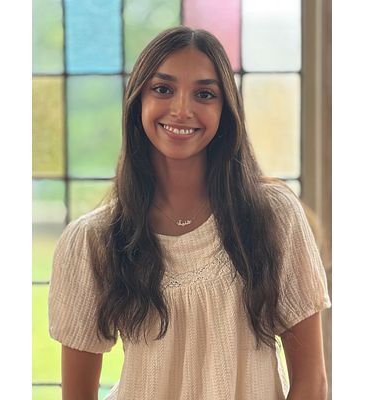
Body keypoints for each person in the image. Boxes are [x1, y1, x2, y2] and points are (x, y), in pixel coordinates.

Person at [48, 26, 331, 400]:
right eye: (163, 89)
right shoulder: (92, 240)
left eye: (204, 94)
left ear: (225, 110)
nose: (182, 109)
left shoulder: (274, 216)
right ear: (138, 101)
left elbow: (312, 383)